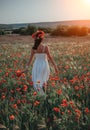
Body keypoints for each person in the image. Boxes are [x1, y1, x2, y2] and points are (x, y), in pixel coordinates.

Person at [23, 30, 58, 95]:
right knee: (43, 79)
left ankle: (40, 93)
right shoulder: (46, 47)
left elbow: (30, 60)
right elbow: (50, 58)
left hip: (37, 65)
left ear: (35, 39)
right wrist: (55, 67)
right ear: (42, 39)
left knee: (37, 80)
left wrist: (26, 68)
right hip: (44, 65)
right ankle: (43, 93)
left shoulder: (33, 49)